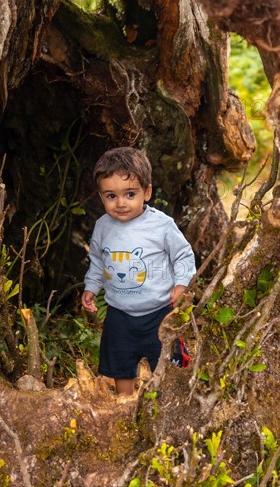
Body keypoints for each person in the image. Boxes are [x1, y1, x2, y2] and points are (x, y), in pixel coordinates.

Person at [81, 147, 196, 395]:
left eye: (130, 194)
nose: (121, 203)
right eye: (111, 196)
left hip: (159, 311)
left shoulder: (161, 225)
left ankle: (166, 398)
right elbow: (98, 261)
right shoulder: (103, 226)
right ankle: (125, 401)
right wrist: (92, 287)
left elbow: (183, 254)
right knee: (120, 363)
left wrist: (181, 283)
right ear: (101, 196)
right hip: (119, 313)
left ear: (147, 192)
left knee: (166, 361)